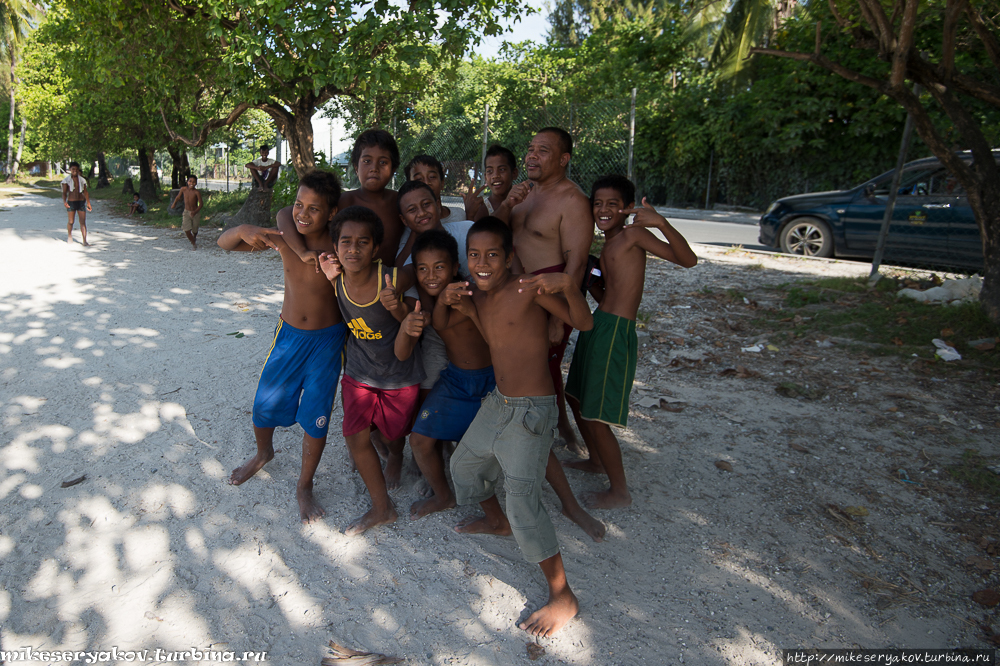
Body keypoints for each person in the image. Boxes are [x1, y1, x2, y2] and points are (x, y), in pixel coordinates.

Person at [440, 216, 592, 637]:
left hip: (532, 409)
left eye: (492, 255)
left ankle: (563, 595)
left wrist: (568, 288)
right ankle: (496, 520)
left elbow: (584, 323)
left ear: (510, 258)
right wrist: (453, 300)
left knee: (524, 502)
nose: (483, 263)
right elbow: (485, 329)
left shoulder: (527, 289)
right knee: (465, 468)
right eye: (474, 255)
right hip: (499, 402)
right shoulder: (479, 295)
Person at [217, 170, 346, 523]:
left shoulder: (339, 250)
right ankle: (263, 453)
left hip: (327, 342)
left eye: (314, 209)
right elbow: (224, 244)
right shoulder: (284, 239)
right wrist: (241, 230)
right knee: (264, 403)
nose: (303, 214)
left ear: (332, 213)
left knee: (317, 417)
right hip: (288, 336)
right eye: (299, 204)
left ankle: (304, 485)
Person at [564, 175, 697, 509]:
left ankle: (619, 491)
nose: (604, 210)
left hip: (615, 332)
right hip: (596, 325)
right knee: (575, 396)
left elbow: (687, 259)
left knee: (596, 415)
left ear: (626, 208)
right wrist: (588, 279)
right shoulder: (607, 245)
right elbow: (607, 294)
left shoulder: (634, 235)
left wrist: (662, 223)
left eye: (612, 204)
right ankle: (596, 460)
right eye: (598, 203)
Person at [317, 206, 424, 535]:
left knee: (394, 435)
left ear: (376, 248)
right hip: (359, 373)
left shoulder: (388, 278)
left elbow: (416, 275)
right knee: (354, 435)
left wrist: (401, 308)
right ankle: (383, 508)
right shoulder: (336, 279)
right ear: (335, 248)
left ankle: (394, 453)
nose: (353, 249)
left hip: (398, 376)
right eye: (345, 242)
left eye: (363, 242)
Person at [492, 128, 593, 455]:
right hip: (512, 293)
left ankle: (547, 437)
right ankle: (551, 428)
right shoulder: (525, 192)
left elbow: (575, 265)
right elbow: (496, 233)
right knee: (516, 367)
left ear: (563, 159)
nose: (532, 155)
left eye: (543, 151)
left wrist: (557, 320)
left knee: (541, 372)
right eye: (530, 148)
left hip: (548, 298)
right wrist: (508, 203)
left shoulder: (573, 201)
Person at [394, 230, 494, 519]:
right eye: (423, 269)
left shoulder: (473, 292)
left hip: (490, 383)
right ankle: (443, 496)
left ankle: (495, 509)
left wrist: (469, 308)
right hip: (456, 380)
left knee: (475, 450)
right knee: (419, 441)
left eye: (439, 267)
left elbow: (497, 339)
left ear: (454, 267)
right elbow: (437, 320)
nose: (430, 275)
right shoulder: (434, 298)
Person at [280, 130, 402, 267]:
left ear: (393, 169)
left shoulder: (399, 203)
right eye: (367, 161)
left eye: (383, 162)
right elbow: (284, 215)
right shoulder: (343, 202)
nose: (374, 168)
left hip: (389, 282)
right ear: (356, 167)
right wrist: (302, 252)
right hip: (347, 285)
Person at [462, 144, 518, 221]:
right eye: (489, 171)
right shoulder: (482, 209)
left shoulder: (524, 203)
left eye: (502, 169)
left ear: (514, 173)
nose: (495, 176)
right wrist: (469, 215)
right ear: (485, 177)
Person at [404, 154, 455, 220]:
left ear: (442, 183)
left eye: (432, 177)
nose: (426, 182)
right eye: (419, 179)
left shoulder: (460, 215)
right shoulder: (410, 223)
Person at [61, 162, 92, 245]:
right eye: (73, 169)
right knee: (71, 221)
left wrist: (88, 203)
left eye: (76, 169)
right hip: (71, 202)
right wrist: (64, 202)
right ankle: (70, 235)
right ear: (70, 170)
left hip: (81, 202)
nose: (75, 171)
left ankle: (84, 240)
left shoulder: (82, 180)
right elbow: (64, 193)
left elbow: (85, 192)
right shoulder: (66, 180)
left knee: (82, 222)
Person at [171, 175, 204, 250]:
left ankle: (194, 236)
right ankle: (193, 243)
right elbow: (178, 197)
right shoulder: (183, 189)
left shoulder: (196, 192)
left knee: (195, 229)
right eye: (190, 181)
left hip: (195, 213)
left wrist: (195, 212)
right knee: (186, 229)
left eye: (194, 182)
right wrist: (174, 204)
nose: (191, 183)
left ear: (196, 183)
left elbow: (201, 204)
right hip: (186, 212)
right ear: (187, 181)